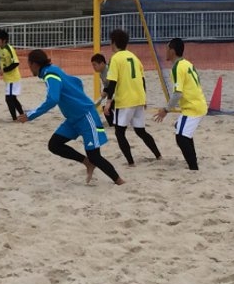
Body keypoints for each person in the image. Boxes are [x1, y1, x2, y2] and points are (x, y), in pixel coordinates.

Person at [17, 49, 124, 185]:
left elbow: (52, 99)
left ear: (34, 64)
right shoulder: (53, 69)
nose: (29, 67)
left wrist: (31, 115)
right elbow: (76, 81)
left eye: (29, 64)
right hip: (73, 119)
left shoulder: (50, 75)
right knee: (54, 145)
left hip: (86, 116)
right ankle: (87, 163)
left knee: (94, 155)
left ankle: (119, 181)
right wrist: (76, 96)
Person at [103, 29, 162, 166]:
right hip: (139, 98)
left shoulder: (115, 59)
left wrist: (108, 102)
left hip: (125, 100)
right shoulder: (134, 57)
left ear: (114, 43)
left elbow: (113, 82)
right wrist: (144, 98)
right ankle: (158, 156)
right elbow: (142, 80)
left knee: (119, 132)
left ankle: (130, 162)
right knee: (140, 131)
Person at [153, 38, 207, 170]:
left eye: (167, 49)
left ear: (172, 51)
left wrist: (166, 110)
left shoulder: (177, 68)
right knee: (184, 135)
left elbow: (178, 93)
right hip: (198, 104)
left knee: (181, 138)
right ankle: (193, 164)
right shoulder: (187, 64)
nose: (165, 51)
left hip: (193, 107)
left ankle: (193, 168)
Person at [0, 29, 24, 121]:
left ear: (4, 40)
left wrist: (4, 70)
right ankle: (22, 115)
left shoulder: (9, 49)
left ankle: (15, 118)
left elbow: (16, 63)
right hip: (8, 78)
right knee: (13, 98)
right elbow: (0, 58)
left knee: (9, 99)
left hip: (13, 78)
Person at [90, 53, 114, 126]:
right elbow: (107, 87)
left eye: (95, 65)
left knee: (107, 108)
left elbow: (112, 86)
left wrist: (107, 100)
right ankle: (113, 124)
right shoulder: (101, 73)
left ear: (102, 63)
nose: (93, 67)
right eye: (92, 65)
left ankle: (114, 124)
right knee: (105, 107)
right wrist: (101, 97)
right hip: (114, 93)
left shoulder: (109, 71)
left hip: (121, 94)